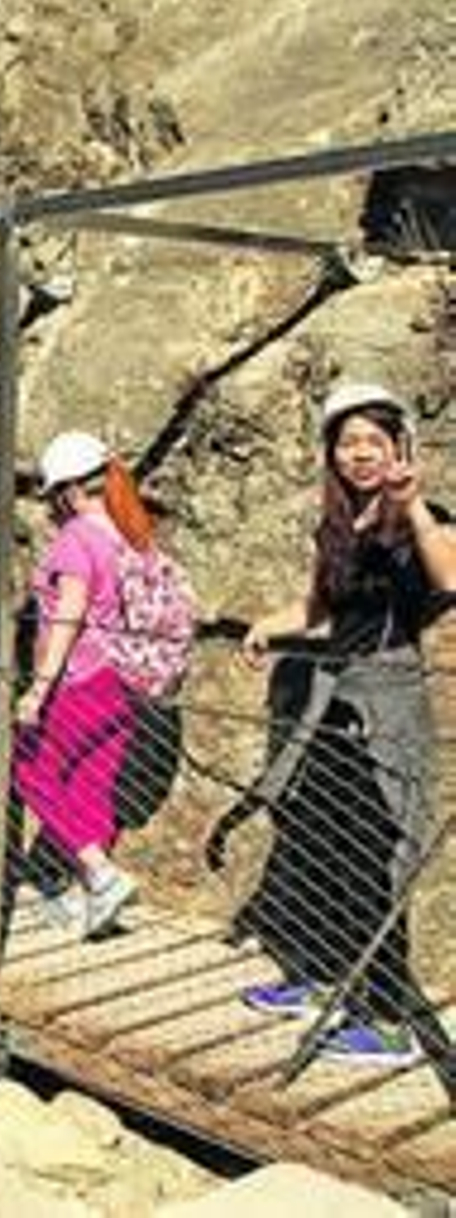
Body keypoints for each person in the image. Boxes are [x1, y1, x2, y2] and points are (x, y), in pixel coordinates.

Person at [233, 382, 455, 1065]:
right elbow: (324, 611)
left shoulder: (417, 517)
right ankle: (326, 975)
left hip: (384, 703)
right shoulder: (336, 524)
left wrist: (411, 503)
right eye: (347, 441)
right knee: (321, 841)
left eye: (372, 442)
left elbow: (449, 579)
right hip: (332, 702)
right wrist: (268, 627)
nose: (359, 454)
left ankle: (388, 1021)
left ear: (398, 448)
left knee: (375, 858)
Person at [13, 430, 150, 938]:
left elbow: (68, 616)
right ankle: (85, 899)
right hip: (123, 680)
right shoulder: (129, 535)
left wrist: (38, 687)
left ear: (68, 491)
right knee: (91, 783)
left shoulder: (76, 540)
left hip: (79, 679)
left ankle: (100, 873)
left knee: (30, 771)